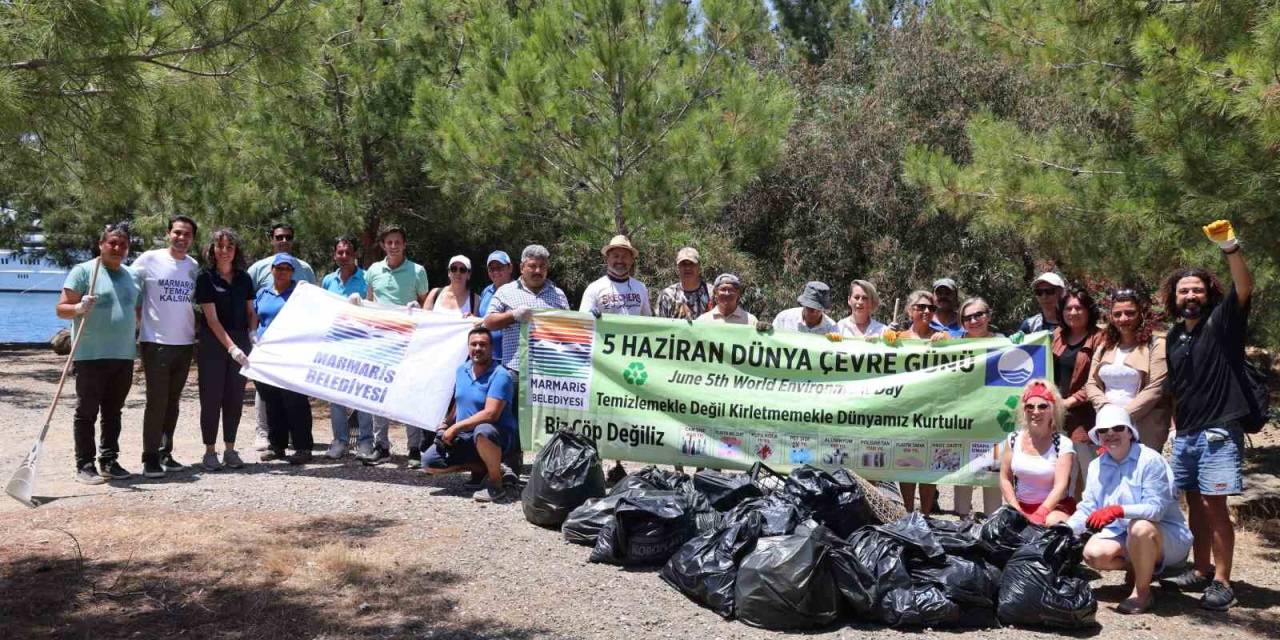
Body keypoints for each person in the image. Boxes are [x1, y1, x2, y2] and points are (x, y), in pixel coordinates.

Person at [1157, 220, 1253, 610]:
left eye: (1197, 289)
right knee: (1193, 503)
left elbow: (1244, 288)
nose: (1191, 295)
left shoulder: (1222, 322)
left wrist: (1230, 248)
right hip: (1188, 433)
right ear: (1174, 297)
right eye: (1184, 290)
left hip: (1218, 432)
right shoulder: (1175, 335)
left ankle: (1223, 581)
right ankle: (1199, 570)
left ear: (1208, 293)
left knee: (1215, 507)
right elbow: (1179, 387)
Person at [1067, 405, 1193, 615]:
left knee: (1140, 527)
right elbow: (1088, 507)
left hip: (1166, 535)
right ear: (1097, 436)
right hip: (1124, 534)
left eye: (1118, 428)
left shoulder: (1150, 460)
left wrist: (1119, 510)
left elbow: (1156, 510)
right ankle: (1139, 570)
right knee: (1093, 553)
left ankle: (1142, 594)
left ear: (1130, 432)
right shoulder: (1097, 465)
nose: (1110, 434)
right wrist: (1065, 528)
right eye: (1103, 431)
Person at [56, 223, 142, 484]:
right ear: (101, 245)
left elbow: (136, 313)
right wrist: (79, 308)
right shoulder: (84, 272)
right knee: (87, 412)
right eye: (112, 243)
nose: (117, 248)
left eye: (122, 244)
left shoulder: (131, 275)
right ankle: (84, 464)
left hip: (123, 355)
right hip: (90, 354)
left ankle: (109, 460)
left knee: (113, 411)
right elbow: (61, 308)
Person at [483, 244, 571, 475]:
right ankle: (510, 468)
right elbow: (488, 321)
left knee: (546, 422)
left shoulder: (558, 295)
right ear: (522, 267)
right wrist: (512, 315)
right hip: (514, 368)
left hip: (548, 372)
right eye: (532, 266)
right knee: (511, 422)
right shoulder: (506, 292)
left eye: (542, 266)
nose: (537, 270)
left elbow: (571, 329)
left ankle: (547, 471)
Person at [133, 215, 201, 478]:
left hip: (184, 343)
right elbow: (130, 288)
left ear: (192, 239)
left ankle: (165, 452)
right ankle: (149, 458)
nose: (181, 238)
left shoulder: (193, 266)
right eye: (177, 233)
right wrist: (143, 321)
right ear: (168, 233)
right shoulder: (149, 259)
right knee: (156, 402)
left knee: (173, 402)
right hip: (156, 343)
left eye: (187, 234)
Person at [423, 327, 520, 502]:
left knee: (483, 430)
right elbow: (460, 401)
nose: (477, 348)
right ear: (468, 347)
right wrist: (447, 421)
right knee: (430, 463)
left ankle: (496, 484)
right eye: (473, 344)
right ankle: (492, 468)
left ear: (491, 348)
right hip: (467, 436)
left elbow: (491, 414)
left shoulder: (501, 375)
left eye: (483, 344)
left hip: (496, 437)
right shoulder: (462, 370)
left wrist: (456, 427)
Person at [361, 223, 430, 466]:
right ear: (383, 245)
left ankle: (414, 448)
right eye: (389, 242)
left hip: (409, 343)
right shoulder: (373, 270)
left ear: (404, 244)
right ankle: (382, 446)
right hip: (380, 342)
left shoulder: (417, 271)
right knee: (378, 394)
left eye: (397, 242)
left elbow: (426, 305)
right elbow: (370, 302)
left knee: (409, 394)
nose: (393, 246)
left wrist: (418, 308)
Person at [246, 222, 315, 451]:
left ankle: (303, 446)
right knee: (271, 399)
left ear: (292, 271)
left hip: (292, 353)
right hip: (266, 352)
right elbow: (254, 314)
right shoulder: (263, 292)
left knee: (294, 401)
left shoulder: (300, 293)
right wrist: (253, 334)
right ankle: (277, 446)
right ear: (272, 270)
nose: (282, 272)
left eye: (287, 269)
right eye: (279, 268)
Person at [193, 229, 256, 472]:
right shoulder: (205, 278)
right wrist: (231, 348)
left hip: (242, 342)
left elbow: (251, 312)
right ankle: (210, 451)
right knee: (211, 399)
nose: (225, 251)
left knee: (234, 399)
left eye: (230, 246)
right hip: (214, 346)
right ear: (212, 250)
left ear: (235, 250)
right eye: (220, 246)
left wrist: (253, 334)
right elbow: (212, 320)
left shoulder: (244, 278)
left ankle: (230, 449)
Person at [1084, 289, 1172, 453]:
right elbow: (1091, 384)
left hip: (1144, 429)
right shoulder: (1105, 347)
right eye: (1117, 314)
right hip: (1107, 427)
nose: (1123, 319)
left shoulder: (1156, 345)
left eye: (1130, 313)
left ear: (1141, 314)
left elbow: (1155, 388)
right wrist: (1105, 410)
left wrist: (1121, 417)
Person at [320, 236, 374, 459]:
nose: (344, 256)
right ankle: (340, 441)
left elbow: (374, 307)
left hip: (362, 344)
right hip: (337, 344)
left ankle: (365, 442)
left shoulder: (366, 279)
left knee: (363, 395)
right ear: (334, 255)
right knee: (336, 396)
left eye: (348, 252)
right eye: (339, 252)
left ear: (355, 255)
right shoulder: (328, 281)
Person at [999, 380, 1077, 525]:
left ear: (1052, 410)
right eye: (1030, 406)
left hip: (1053, 508)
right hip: (1020, 506)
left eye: (1042, 406)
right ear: (1024, 410)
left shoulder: (1062, 443)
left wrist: (1041, 514)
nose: (1035, 412)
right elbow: (1005, 478)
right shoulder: (1013, 439)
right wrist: (1016, 509)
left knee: (1052, 523)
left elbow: (1060, 486)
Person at [953, 297, 1004, 516]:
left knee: (992, 475)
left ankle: (992, 527)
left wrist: (1025, 341)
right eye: (968, 317)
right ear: (962, 322)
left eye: (979, 314)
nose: (974, 320)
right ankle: (962, 521)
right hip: (961, 419)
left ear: (989, 316)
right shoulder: (953, 344)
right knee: (963, 474)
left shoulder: (1005, 342)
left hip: (992, 422)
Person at [1053, 286, 1106, 491]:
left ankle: (1092, 519)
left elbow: (1098, 377)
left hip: (1085, 416)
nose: (1073, 313)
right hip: (1058, 415)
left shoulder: (1100, 338)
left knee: (1089, 471)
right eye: (1068, 308)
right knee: (1063, 470)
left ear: (1088, 311)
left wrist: (1069, 402)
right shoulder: (1056, 335)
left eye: (1079, 308)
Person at [897, 290, 938, 513]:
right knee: (907, 461)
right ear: (909, 310)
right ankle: (908, 511)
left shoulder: (943, 339)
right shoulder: (899, 339)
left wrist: (945, 344)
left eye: (930, 308)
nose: (926, 311)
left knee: (930, 464)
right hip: (906, 410)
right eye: (920, 307)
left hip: (933, 411)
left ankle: (927, 514)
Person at [580, 235, 652, 316]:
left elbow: (648, 319)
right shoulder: (594, 288)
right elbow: (583, 320)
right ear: (607, 259)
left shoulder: (641, 288)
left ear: (632, 260)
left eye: (625, 256)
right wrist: (589, 314)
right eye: (615, 256)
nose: (620, 260)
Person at [246, 222, 317, 290]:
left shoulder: (305, 269)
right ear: (271, 240)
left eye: (288, 237)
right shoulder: (258, 269)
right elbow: (247, 297)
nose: (284, 241)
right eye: (279, 237)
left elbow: (313, 297)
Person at [655, 247, 714, 320]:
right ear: (678, 267)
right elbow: (660, 325)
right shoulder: (667, 295)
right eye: (683, 264)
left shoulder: (711, 293)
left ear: (699, 267)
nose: (688, 268)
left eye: (692, 264)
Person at [476, 250, 514, 363]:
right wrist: (472, 318)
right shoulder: (486, 291)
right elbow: (482, 319)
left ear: (510, 268)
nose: (495, 271)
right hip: (485, 357)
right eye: (492, 269)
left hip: (509, 360)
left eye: (500, 267)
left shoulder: (520, 292)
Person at [772, 282, 837, 335]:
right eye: (810, 307)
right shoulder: (784, 319)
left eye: (818, 308)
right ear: (804, 304)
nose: (814, 312)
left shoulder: (831, 328)